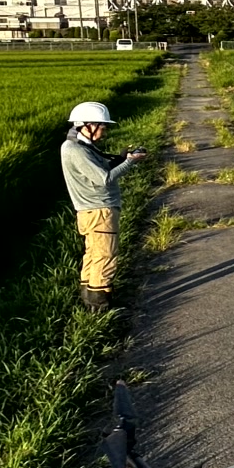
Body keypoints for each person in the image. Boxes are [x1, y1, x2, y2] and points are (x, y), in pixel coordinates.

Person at [62, 102, 145, 313]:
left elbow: (100, 168)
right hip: (99, 211)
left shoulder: (78, 147)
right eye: (101, 126)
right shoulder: (76, 149)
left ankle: (89, 302)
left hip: (91, 211)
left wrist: (120, 158)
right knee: (105, 256)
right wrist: (130, 162)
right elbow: (104, 178)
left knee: (93, 255)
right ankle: (100, 309)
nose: (104, 130)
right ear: (86, 125)